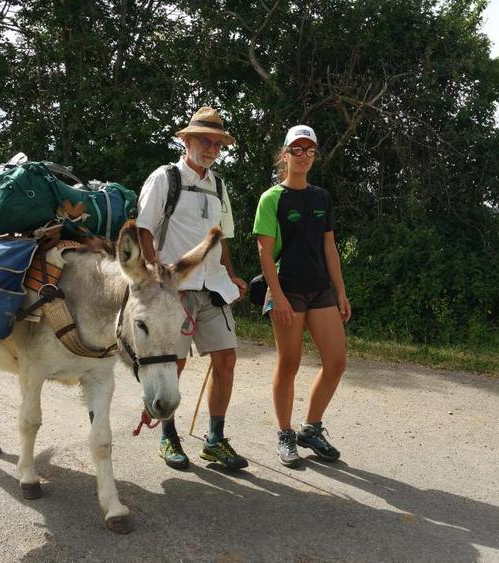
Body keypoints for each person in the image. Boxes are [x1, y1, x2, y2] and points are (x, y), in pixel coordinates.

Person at [135, 106, 249, 471]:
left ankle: (215, 440)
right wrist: (155, 277)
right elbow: (144, 229)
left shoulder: (218, 185)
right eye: (205, 141)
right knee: (175, 365)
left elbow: (221, 237)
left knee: (226, 359)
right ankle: (168, 437)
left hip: (213, 287)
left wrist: (230, 276)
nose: (212, 149)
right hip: (175, 288)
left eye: (217, 144)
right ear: (186, 141)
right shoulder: (164, 178)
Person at [252, 124, 351, 468]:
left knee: (336, 362)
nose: (304, 155)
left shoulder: (322, 197)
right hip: (287, 289)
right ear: (285, 154)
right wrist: (277, 297)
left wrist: (341, 292)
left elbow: (330, 247)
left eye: (310, 150)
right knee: (289, 363)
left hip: (320, 289)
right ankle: (285, 434)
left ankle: (311, 428)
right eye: (297, 149)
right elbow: (265, 253)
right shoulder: (272, 198)